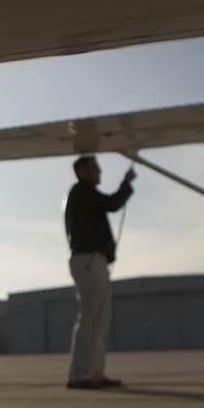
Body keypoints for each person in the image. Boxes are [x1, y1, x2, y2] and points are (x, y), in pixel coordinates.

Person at [63, 155, 136, 389]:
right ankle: (80, 375)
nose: (100, 172)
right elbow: (112, 204)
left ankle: (94, 373)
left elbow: (108, 205)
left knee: (99, 320)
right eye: (95, 168)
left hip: (94, 261)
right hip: (88, 261)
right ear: (82, 171)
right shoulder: (82, 192)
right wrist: (126, 184)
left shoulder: (84, 194)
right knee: (91, 316)